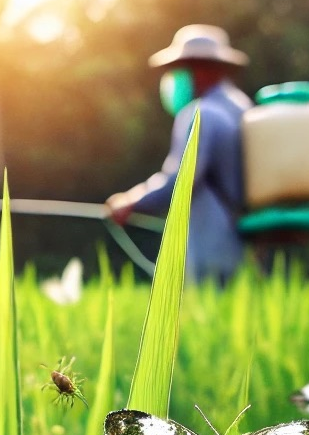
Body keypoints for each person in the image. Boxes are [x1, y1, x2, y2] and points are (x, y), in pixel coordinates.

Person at [106, 25, 253, 283]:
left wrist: (131, 201)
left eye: (179, 70)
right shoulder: (242, 107)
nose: (174, 78)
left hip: (212, 245)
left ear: (200, 69)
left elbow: (179, 181)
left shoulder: (201, 113)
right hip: (245, 241)